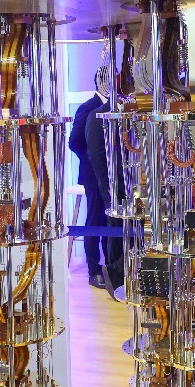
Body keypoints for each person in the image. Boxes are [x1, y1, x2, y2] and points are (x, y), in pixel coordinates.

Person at [84, 97, 125, 300]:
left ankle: (121, 275)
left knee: (125, 233)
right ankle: (114, 276)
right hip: (111, 186)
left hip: (130, 185)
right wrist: (108, 186)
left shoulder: (129, 113)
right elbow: (96, 155)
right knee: (114, 230)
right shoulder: (95, 115)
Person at [69, 92, 109, 289]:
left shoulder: (112, 105)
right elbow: (74, 142)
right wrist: (93, 159)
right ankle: (93, 270)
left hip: (109, 173)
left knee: (110, 218)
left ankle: (111, 267)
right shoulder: (87, 107)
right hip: (93, 175)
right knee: (94, 218)